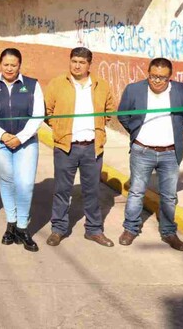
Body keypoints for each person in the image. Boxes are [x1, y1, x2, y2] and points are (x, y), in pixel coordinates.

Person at [117, 58, 183, 251]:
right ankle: (130, 228)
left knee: (168, 196)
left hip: (169, 153)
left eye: (162, 78)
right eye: (153, 76)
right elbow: (123, 115)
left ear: (170, 77)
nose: (157, 81)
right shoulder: (134, 90)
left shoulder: (180, 90)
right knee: (136, 192)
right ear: (148, 73)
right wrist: (136, 133)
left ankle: (168, 232)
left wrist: (173, 136)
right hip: (142, 151)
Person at [44, 47, 115, 247]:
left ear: (89, 65)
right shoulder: (57, 84)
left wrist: (98, 130)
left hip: (92, 147)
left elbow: (108, 111)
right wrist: (58, 129)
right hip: (66, 147)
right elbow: (47, 111)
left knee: (92, 190)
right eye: (74, 61)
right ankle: (58, 229)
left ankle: (93, 230)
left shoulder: (101, 85)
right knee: (62, 190)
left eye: (82, 62)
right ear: (70, 61)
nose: (77, 65)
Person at [0, 48, 44, 252]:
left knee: (25, 184)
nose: (9, 68)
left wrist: (20, 138)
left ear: (19, 65)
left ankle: (22, 228)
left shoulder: (32, 85)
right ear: (0, 65)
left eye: (13, 65)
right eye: (6, 64)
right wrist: (3, 136)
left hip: (26, 143)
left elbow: (38, 115)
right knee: (6, 182)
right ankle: (11, 224)